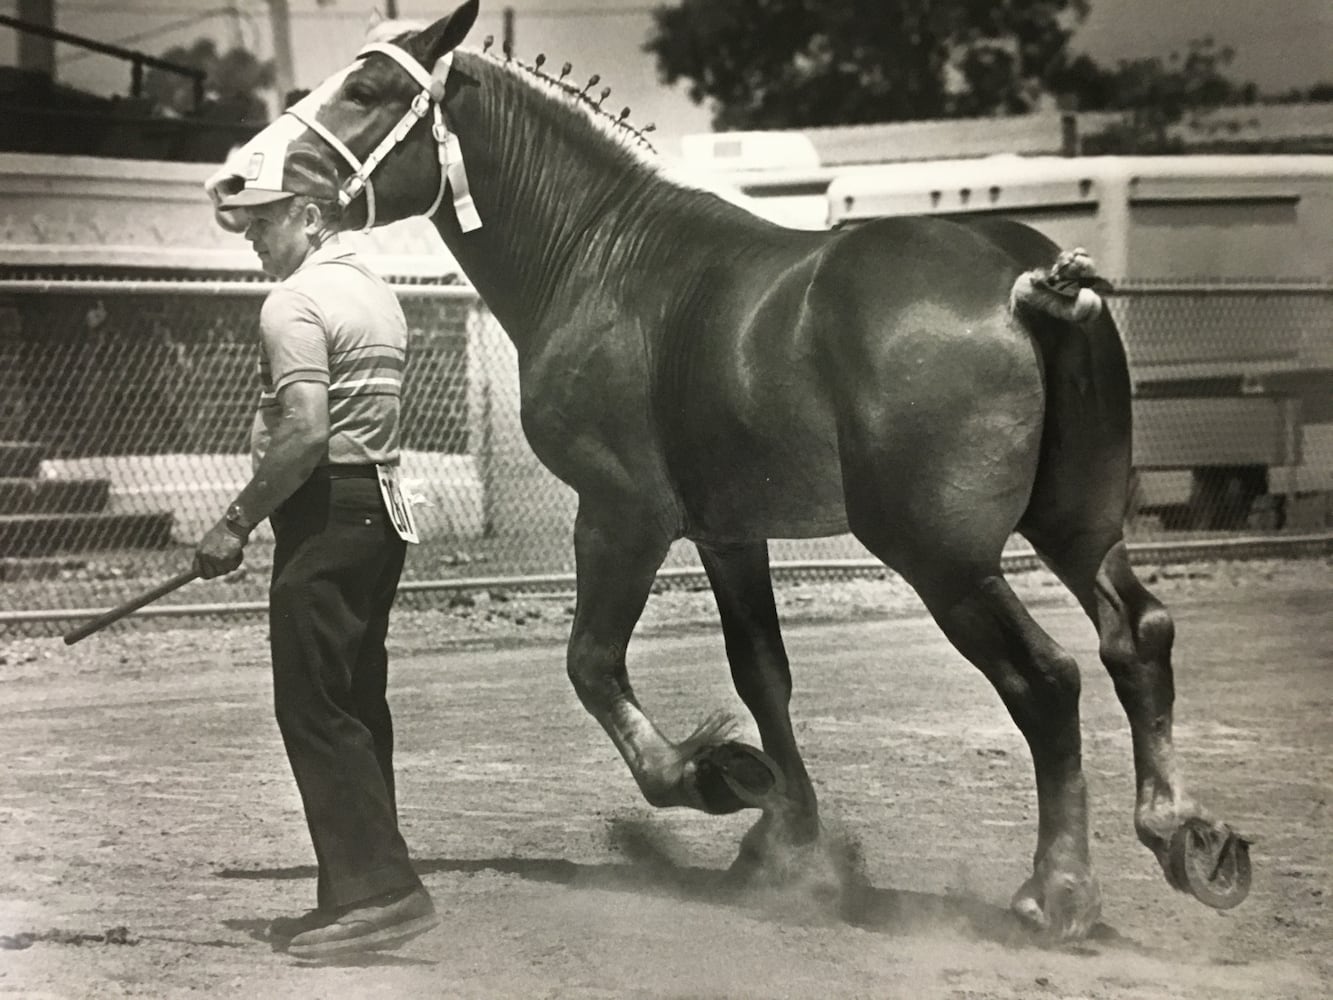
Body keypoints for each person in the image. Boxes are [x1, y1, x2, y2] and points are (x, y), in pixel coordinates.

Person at [194, 143, 435, 959]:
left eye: (263, 222)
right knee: (356, 703)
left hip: (327, 513)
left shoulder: (292, 303)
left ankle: (383, 892)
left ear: (307, 214)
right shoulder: (374, 289)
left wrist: (233, 522)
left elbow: (304, 430)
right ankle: (351, 894)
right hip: (378, 514)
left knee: (313, 702)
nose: (252, 240)